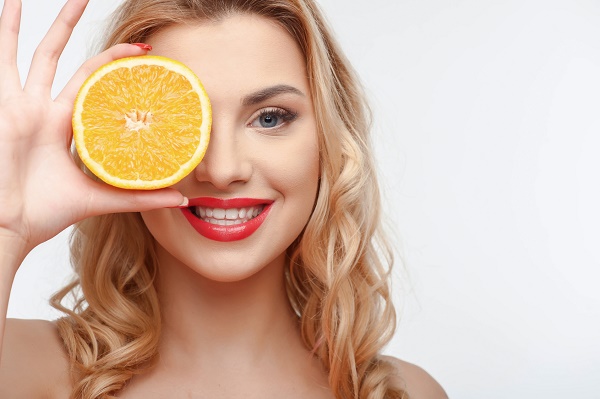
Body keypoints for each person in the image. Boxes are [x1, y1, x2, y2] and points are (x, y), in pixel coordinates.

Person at [0, 0, 448, 398]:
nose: (222, 170)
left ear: (328, 141)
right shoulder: (22, 369)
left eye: (270, 118)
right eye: (182, 123)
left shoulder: (404, 392)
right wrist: (7, 231)